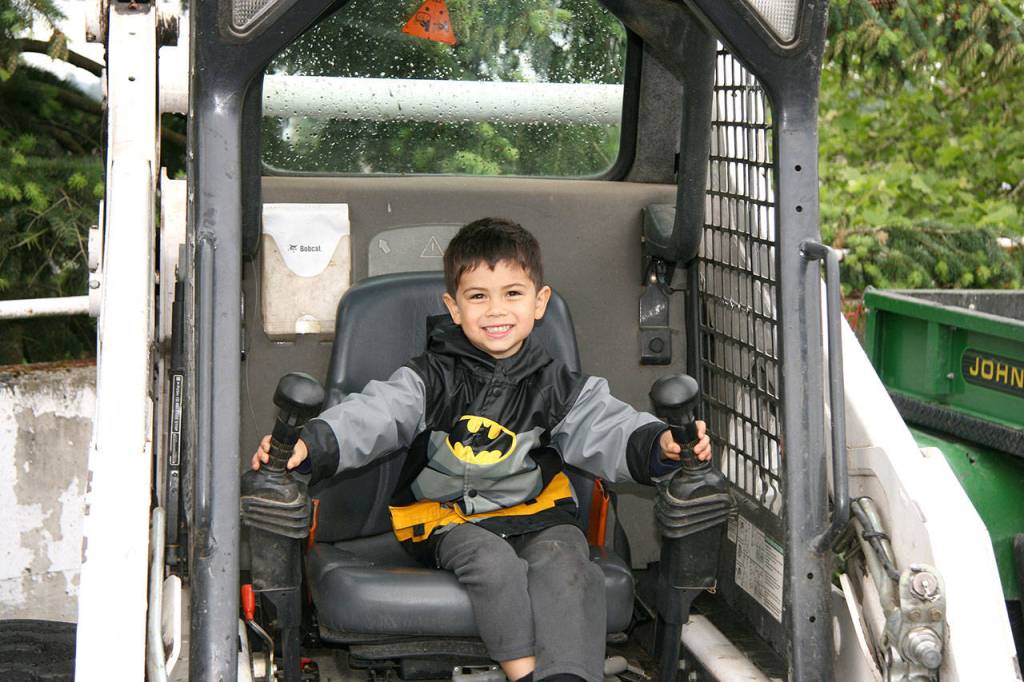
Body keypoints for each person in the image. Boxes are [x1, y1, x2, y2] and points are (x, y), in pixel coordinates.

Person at [252, 218, 711, 682]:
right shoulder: (429, 379)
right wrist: (312, 444)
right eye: (477, 296)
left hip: (538, 514)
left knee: (569, 563)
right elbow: (374, 416)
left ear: (539, 302)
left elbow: (608, 428)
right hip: (448, 518)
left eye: (512, 293)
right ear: (453, 308)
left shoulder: (558, 386)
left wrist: (661, 443)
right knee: (492, 563)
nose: (496, 310)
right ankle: (525, 674)